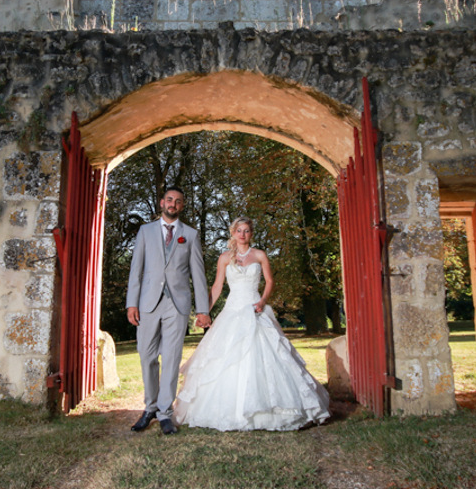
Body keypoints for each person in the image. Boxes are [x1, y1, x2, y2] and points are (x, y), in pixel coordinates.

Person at [174, 216, 330, 431]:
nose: (242, 234)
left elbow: (270, 281)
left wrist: (263, 301)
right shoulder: (225, 258)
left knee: (271, 353)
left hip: (255, 307)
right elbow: (217, 287)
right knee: (224, 357)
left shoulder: (259, 255)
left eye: (246, 230)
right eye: (239, 230)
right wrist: (203, 312)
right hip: (232, 311)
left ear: (251, 233)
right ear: (233, 233)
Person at [126, 186, 211, 435]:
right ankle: (149, 408)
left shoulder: (190, 235)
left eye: (178, 201)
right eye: (169, 199)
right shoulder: (145, 231)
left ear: (182, 206)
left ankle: (165, 413)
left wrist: (202, 309)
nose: (173, 204)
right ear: (162, 202)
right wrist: (132, 303)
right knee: (147, 356)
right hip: (148, 304)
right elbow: (136, 270)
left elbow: (198, 274)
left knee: (172, 358)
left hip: (178, 304)